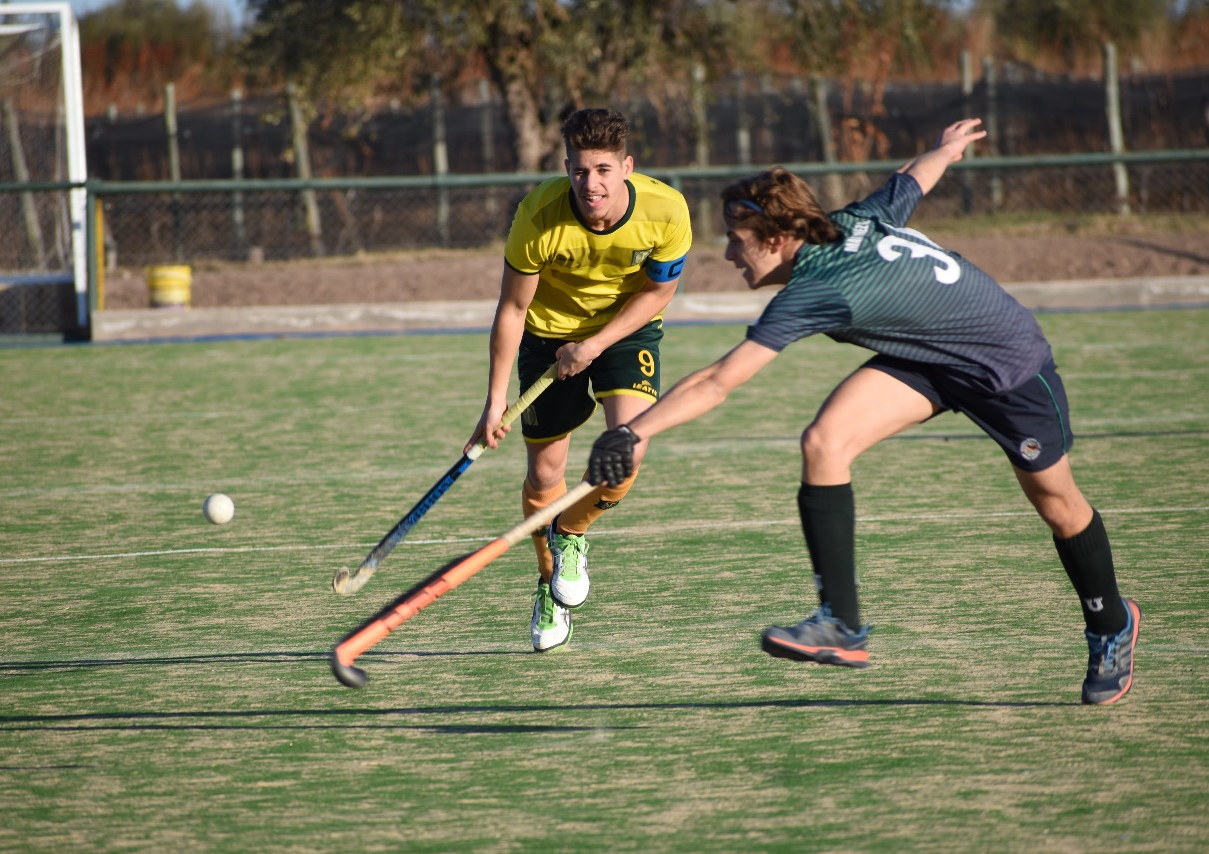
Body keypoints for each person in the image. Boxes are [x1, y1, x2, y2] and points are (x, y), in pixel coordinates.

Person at [587, 119, 1139, 705]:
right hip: (926, 358)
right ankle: (841, 625)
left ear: (775, 238)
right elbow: (909, 179)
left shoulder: (814, 288)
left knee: (1058, 505)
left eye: (735, 238)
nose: (726, 253)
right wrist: (944, 149)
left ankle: (1111, 623)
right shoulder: (852, 221)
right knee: (825, 442)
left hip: (1007, 365)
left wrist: (631, 430)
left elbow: (720, 380)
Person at [468, 107, 693, 653]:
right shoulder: (538, 215)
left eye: (603, 171)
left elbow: (660, 292)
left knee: (627, 452)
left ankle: (570, 532)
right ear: (566, 167)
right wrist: (495, 401)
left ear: (626, 167)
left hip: (624, 331)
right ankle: (548, 585)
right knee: (546, 472)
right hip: (545, 336)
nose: (590, 185)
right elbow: (512, 309)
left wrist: (593, 345)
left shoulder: (667, 210)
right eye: (579, 171)